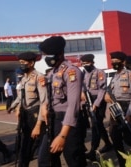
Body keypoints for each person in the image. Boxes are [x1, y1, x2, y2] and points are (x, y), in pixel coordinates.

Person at [38, 36, 87, 166]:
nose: (47, 59)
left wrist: (63, 136)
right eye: (45, 56)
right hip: (54, 120)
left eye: (49, 55)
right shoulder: (53, 72)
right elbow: (50, 95)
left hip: (69, 122)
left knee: (74, 160)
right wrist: (45, 105)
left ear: (60, 53)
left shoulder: (71, 71)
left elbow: (73, 106)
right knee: (45, 160)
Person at [8, 52, 47, 167]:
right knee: (24, 146)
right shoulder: (24, 79)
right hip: (25, 115)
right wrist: (17, 107)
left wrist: (38, 125)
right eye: (20, 63)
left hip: (36, 114)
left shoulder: (39, 77)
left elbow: (44, 102)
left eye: (23, 63)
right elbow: (22, 97)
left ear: (31, 63)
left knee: (41, 148)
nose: (21, 65)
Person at [80, 54, 112, 161]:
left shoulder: (99, 72)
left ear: (92, 63)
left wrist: (96, 104)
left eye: (87, 63)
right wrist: (82, 94)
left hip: (98, 100)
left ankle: (93, 150)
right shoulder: (83, 73)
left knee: (95, 124)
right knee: (98, 124)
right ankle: (108, 144)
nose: (85, 65)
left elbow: (102, 89)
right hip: (88, 100)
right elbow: (81, 87)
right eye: (83, 63)